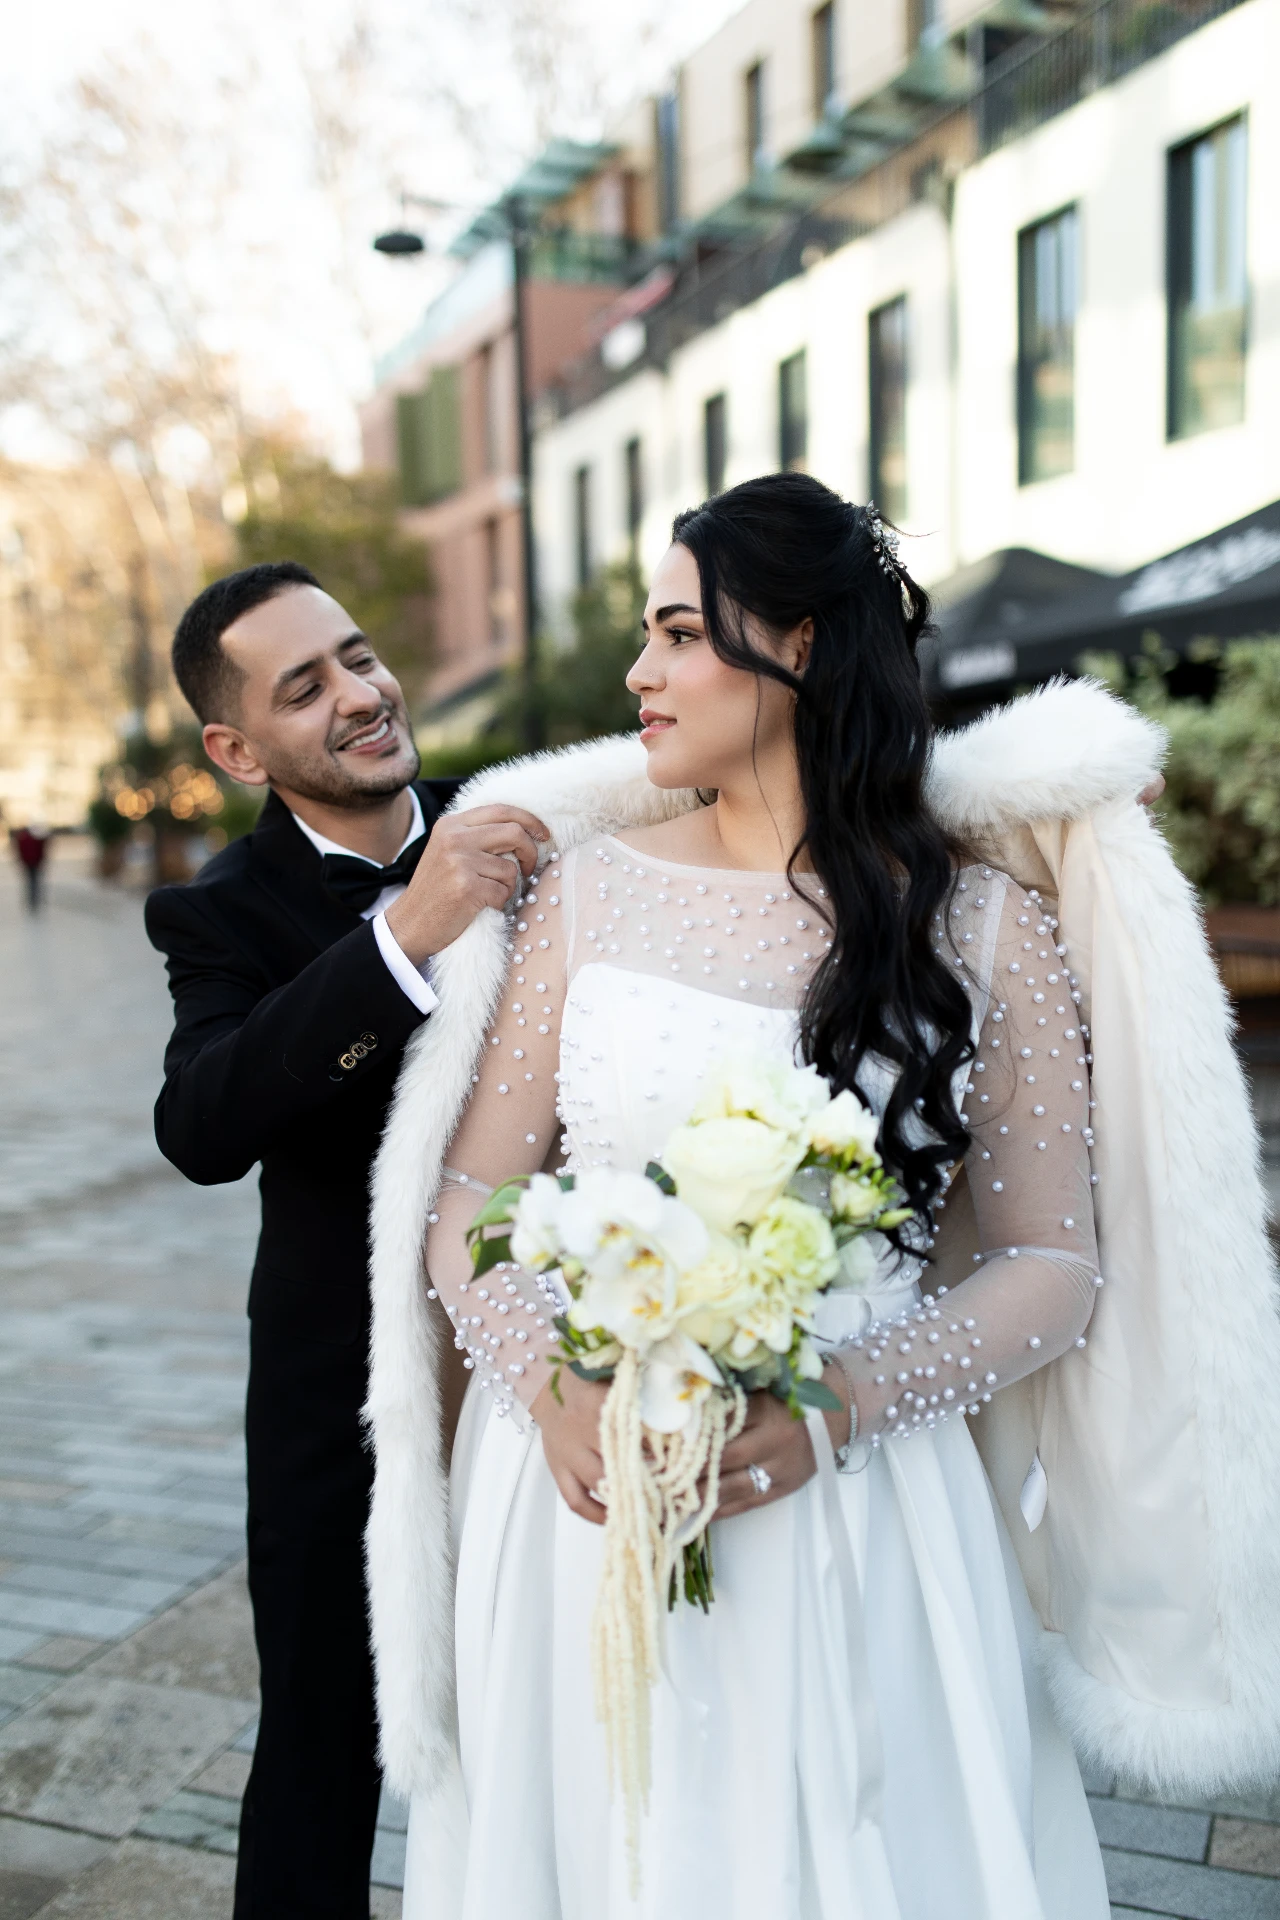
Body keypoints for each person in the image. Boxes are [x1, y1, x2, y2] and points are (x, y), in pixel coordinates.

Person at [366, 477, 1280, 1919]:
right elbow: (470, 1189)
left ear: (796, 646)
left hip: (859, 1501)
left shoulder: (979, 925)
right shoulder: (587, 896)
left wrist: (846, 1396)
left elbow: (1052, 1261)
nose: (639, 674)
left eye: (676, 634)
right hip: (576, 1500)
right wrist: (550, 1380)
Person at [144, 560, 548, 1920]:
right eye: (305, 687)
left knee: (553, 1727)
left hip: (555, 1365)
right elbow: (201, 1122)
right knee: (321, 1750)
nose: (363, 696)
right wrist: (407, 933)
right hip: (344, 1400)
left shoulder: (527, 819)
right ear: (237, 748)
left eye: (360, 659)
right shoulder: (218, 910)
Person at [12, 822, 50, 910]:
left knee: (31, 881)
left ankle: (32, 899)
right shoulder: (35, 839)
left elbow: (19, 850)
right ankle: (34, 899)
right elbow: (42, 849)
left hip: (28, 862)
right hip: (34, 862)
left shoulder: (22, 839)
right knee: (34, 881)